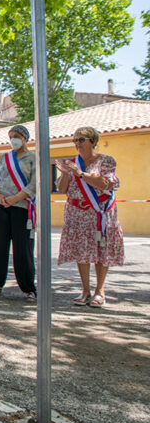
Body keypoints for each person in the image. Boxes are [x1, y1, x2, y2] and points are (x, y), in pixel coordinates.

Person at [55, 127, 124, 307]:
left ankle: (99, 291)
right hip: (77, 213)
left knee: (101, 250)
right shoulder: (71, 163)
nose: (77, 143)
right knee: (82, 251)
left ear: (93, 141)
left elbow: (106, 183)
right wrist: (64, 173)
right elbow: (62, 190)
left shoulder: (106, 161)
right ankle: (85, 290)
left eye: (82, 139)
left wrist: (80, 173)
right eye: (75, 140)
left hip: (99, 212)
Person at [0, 124, 37, 303]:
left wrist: (15, 198)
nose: (13, 140)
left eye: (16, 136)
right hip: (0, 205)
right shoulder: (3, 158)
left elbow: (33, 185)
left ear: (24, 138)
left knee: (23, 248)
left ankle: (28, 287)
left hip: (21, 207)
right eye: (10, 136)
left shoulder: (33, 159)